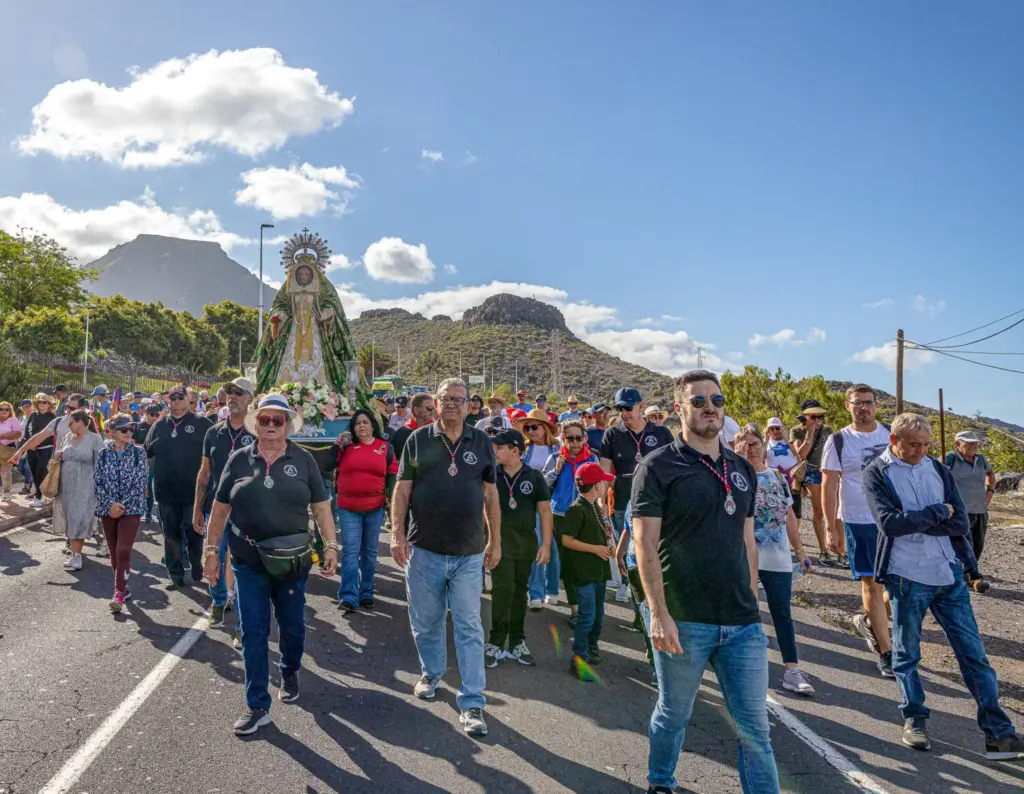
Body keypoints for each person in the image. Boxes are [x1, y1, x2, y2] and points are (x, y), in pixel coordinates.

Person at [632, 369, 780, 794]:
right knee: (674, 715)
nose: (709, 408)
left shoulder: (741, 467)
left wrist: (752, 598)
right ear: (679, 409)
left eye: (716, 400)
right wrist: (658, 614)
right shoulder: (657, 466)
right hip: (684, 619)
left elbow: (748, 541)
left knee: (756, 731)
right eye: (698, 401)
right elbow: (644, 543)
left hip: (741, 623)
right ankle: (661, 782)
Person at [864, 413, 1024, 761]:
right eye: (913, 445)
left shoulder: (937, 469)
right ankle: (915, 719)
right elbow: (890, 524)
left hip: (948, 573)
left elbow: (961, 522)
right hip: (906, 576)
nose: (920, 451)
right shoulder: (877, 472)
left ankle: (999, 734)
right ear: (894, 441)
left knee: (974, 655)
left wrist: (922, 520)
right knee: (907, 654)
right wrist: (939, 511)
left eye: (925, 444)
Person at [202, 393, 338, 736]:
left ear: (288, 425)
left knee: (292, 625)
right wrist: (211, 551)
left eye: (279, 420)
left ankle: (289, 669)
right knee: (253, 630)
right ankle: (257, 705)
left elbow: (321, 507)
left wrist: (331, 545)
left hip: (292, 560)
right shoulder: (238, 459)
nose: (272, 425)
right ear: (256, 424)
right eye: (265, 420)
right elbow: (220, 507)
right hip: (247, 560)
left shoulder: (304, 460)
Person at [390, 377, 500, 738]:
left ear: (469, 405)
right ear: (434, 404)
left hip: (469, 553)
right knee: (426, 622)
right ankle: (431, 673)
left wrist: (495, 540)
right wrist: (397, 534)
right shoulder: (418, 440)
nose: (451, 404)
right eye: (445, 399)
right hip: (424, 550)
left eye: (458, 399)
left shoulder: (481, 442)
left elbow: (491, 495)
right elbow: (402, 490)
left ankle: (472, 702)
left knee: (469, 625)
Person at [734, 428, 815, 696]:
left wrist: (800, 551)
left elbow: (789, 516)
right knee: (747, 611)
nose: (751, 449)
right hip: (744, 557)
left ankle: (791, 669)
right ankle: (746, 664)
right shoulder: (732, 477)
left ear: (764, 446)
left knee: (782, 613)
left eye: (755, 444)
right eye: (744, 445)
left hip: (777, 558)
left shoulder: (777, 477)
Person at [821, 384, 894, 678]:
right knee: (872, 584)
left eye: (868, 402)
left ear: (876, 405)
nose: (864, 408)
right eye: (857, 403)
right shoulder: (839, 441)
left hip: (894, 519)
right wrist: (831, 527)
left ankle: (870, 620)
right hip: (858, 521)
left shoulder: (891, 433)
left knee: (903, 584)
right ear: (847, 406)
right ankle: (886, 651)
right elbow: (829, 485)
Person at [485, 429, 552, 668]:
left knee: (519, 592)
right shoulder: (491, 474)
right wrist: (488, 542)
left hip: (525, 544)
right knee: (502, 591)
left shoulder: (534, 476)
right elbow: (483, 507)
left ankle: (516, 641)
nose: (495, 452)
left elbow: (545, 511)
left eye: (499, 448)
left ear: (515, 451)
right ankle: (495, 641)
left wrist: (546, 545)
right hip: (499, 544)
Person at [600, 387, 673, 602]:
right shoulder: (612, 433)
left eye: (628, 408)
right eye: (620, 409)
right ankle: (629, 588)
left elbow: (673, 467)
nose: (624, 413)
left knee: (654, 547)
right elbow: (605, 471)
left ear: (640, 406)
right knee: (627, 549)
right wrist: (601, 500)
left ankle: (658, 593)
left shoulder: (661, 432)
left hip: (657, 502)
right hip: (623, 501)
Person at [194, 377, 256, 627]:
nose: (232, 396)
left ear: (250, 399)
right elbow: (204, 472)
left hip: (247, 511)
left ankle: (243, 623)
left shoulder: (258, 431)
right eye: (229, 391)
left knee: (243, 565)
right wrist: (197, 509)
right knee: (213, 557)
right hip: (216, 509)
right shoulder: (214, 431)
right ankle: (219, 601)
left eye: (239, 392)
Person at [146, 385, 214, 588]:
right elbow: (148, 455)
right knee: (170, 534)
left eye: (180, 397)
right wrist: (144, 482)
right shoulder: (158, 426)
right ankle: (175, 574)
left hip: (194, 491)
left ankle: (196, 564)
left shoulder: (203, 424)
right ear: (168, 400)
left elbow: (213, 457)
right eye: (173, 397)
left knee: (194, 532)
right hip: (165, 491)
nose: (176, 400)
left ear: (188, 400)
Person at [333, 408, 398, 614]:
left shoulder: (385, 447)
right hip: (348, 508)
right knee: (350, 552)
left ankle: (367, 592)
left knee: (369, 553)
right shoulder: (345, 447)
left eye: (365, 422)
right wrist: (337, 445)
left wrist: (391, 498)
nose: (361, 426)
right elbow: (327, 463)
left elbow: (392, 474)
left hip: (375, 508)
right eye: (357, 423)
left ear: (373, 425)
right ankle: (348, 596)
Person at [540, 419, 598, 620]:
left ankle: (588, 607)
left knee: (583, 562)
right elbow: (543, 484)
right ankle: (575, 609)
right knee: (568, 564)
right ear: (562, 439)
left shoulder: (592, 459)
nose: (574, 443)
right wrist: (556, 470)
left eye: (578, 438)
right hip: (560, 515)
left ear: (585, 438)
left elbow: (598, 486)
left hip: (584, 515)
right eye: (570, 439)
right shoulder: (555, 457)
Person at [94, 414, 149, 612]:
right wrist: (110, 504)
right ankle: (123, 588)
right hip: (107, 509)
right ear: (112, 432)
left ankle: (118, 593)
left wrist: (121, 505)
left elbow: (141, 482)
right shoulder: (103, 454)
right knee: (113, 550)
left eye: (131, 429)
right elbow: (97, 482)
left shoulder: (138, 453)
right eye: (124, 429)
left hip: (132, 508)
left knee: (123, 549)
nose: (128, 433)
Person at [51, 409, 105, 571]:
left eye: (71, 422)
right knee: (70, 518)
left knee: (78, 518)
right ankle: (74, 553)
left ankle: (77, 556)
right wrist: (58, 455)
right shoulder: (68, 437)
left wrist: (100, 488)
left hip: (85, 486)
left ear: (81, 422)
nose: (69, 426)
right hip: (65, 486)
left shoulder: (95, 439)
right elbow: (57, 457)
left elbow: (101, 465)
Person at [944, 430, 995, 593]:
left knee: (978, 543)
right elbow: (937, 476)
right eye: (970, 444)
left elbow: (990, 474)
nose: (975, 447)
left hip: (980, 509)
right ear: (957, 444)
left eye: (976, 444)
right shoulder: (950, 459)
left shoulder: (981, 460)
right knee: (965, 543)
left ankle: (967, 573)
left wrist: (990, 491)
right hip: (959, 510)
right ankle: (974, 577)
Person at [790, 399, 835, 566]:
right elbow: (801, 454)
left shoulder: (828, 430)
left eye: (820, 416)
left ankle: (838, 547)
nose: (817, 420)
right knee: (819, 510)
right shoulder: (797, 431)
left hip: (828, 471)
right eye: (813, 417)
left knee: (834, 510)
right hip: (811, 472)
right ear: (805, 416)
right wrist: (809, 433)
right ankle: (823, 549)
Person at [20, 393, 57, 507]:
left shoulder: (52, 417)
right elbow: (28, 431)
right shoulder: (33, 415)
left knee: (41, 471)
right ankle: (40, 494)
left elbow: (52, 433)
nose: (42, 404)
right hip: (32, 448)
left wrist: (37, 443)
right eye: (40, 402)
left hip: (46, 448)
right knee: (34, 473)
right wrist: (30, 444)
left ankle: (39, 496)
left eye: (44, 402)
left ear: (49, 404)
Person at [765, 416, 801, 518]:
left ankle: (796, 527)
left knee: (795, 507)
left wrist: (786, 439)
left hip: (792, 477)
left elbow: (797, 455)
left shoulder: (789, 441)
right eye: (771, 429)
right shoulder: (766, 443)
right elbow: (761, 458)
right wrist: (765, 441)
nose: (775, 431)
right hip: (775, 478)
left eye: (777, 428)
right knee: (779, 506)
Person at [134, 403, 162, 523]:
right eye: (152, 414)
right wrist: (145, 446)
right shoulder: (139, 426)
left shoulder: (161, 427)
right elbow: (132, 442)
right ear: (146, 414)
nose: (154, 417)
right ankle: (139, 509)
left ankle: (149, 512)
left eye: (157, 415)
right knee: (142, 486)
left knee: (152, 486)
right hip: (141, 460)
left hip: (156, 460)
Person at [390, 393, 435, 463]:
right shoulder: (402, 433)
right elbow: (402, 459)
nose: (433, 411)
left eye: (434, 407)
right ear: (416, 410)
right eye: (429, 408)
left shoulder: (438, 431)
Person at [0, 402, 21, 501]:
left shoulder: (13, 420)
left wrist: (3, 436)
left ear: (10, 411)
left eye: (6, 409)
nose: (4, 411)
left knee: (5, 472)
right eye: (1, 409)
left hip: (8, 449)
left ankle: (6, 492)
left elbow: (17, 434)